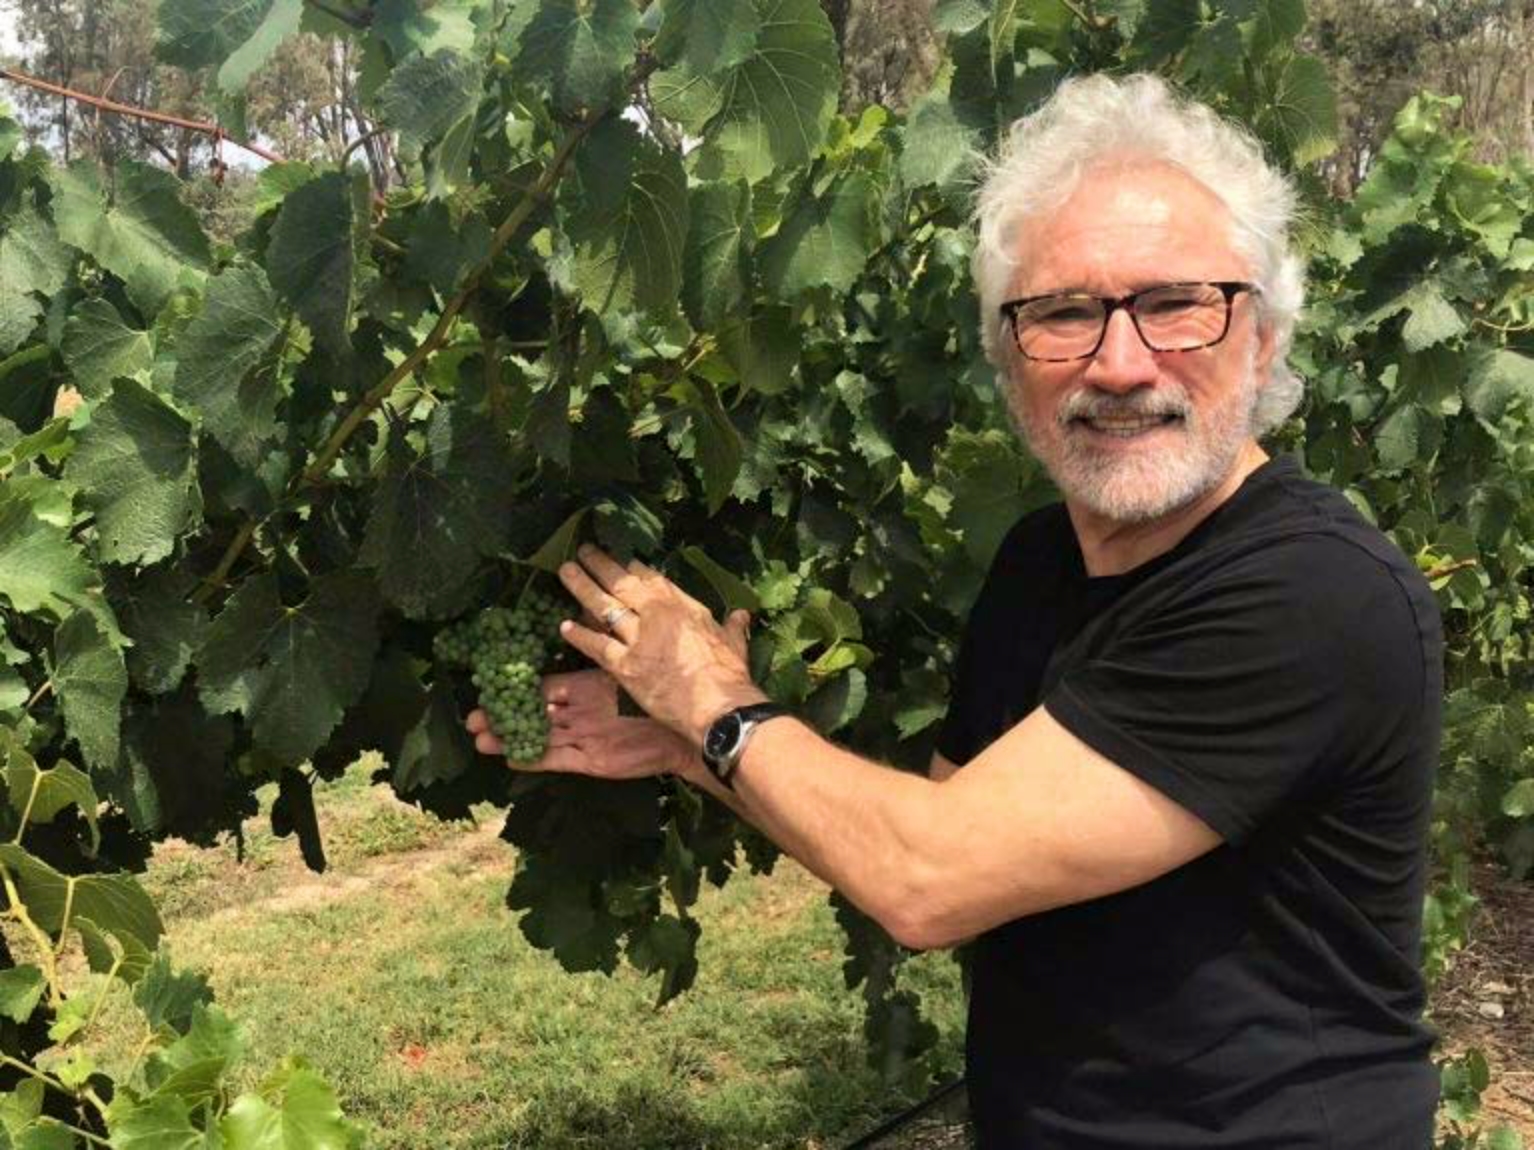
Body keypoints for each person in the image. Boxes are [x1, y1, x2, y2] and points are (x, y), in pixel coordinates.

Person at [467, 73, 1443, 1149]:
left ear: (1260, 339)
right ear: (1006, 358)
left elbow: (923, 882)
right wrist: (683, 746)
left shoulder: (1309, 596)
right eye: (1063, 313)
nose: (1120, 363)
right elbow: (943, 823)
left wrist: (709, 694)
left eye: (1175, 303)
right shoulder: (1042, 557)